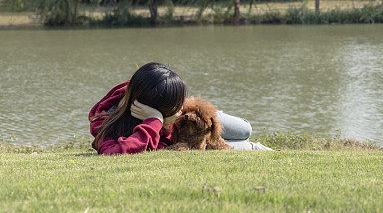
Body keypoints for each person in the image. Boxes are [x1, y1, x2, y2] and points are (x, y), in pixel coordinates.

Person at [89, 62, 269, 154]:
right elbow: (115, 153)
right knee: (239, 146)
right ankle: (254, 148)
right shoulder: (106, 123)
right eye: (174, 107)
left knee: (245, 129)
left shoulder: (163, 99)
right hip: (187, 135)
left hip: (201, 117)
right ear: (154, 108)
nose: (179, 111)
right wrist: (154, 121)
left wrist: (197, 114)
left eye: (179, 103)